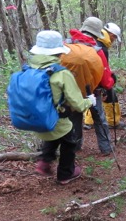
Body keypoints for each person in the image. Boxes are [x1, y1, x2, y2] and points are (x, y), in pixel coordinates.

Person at [29, 31, 97, 185]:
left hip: (36, 118)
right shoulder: (62, 74)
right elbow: (78, 104)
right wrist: (90, 101)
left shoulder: (29, 68)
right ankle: (66, 174)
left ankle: (44, 162)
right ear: (59, 53)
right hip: (57, 118)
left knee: (54, 135)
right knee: (69, 142)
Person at [64, 16, 115, 155]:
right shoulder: (97, 51)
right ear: (97, 33)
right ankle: (105, 148)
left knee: (75, 119)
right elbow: (105, 78)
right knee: (99, 119)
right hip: (93, 92)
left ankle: (75, 145)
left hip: (70, 92)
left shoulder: (66, 45)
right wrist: (110, 84)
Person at [98, 23, 126, 130]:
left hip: (89, 76)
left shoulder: (94, 41)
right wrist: (109, 79)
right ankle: (113, 122)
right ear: (111, 35)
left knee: (91, 96)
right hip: (99, 76)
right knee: (110, 95)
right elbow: (102, 67)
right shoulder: (102, 48)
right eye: (114, 38)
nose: (114, 40)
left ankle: (89, 121)